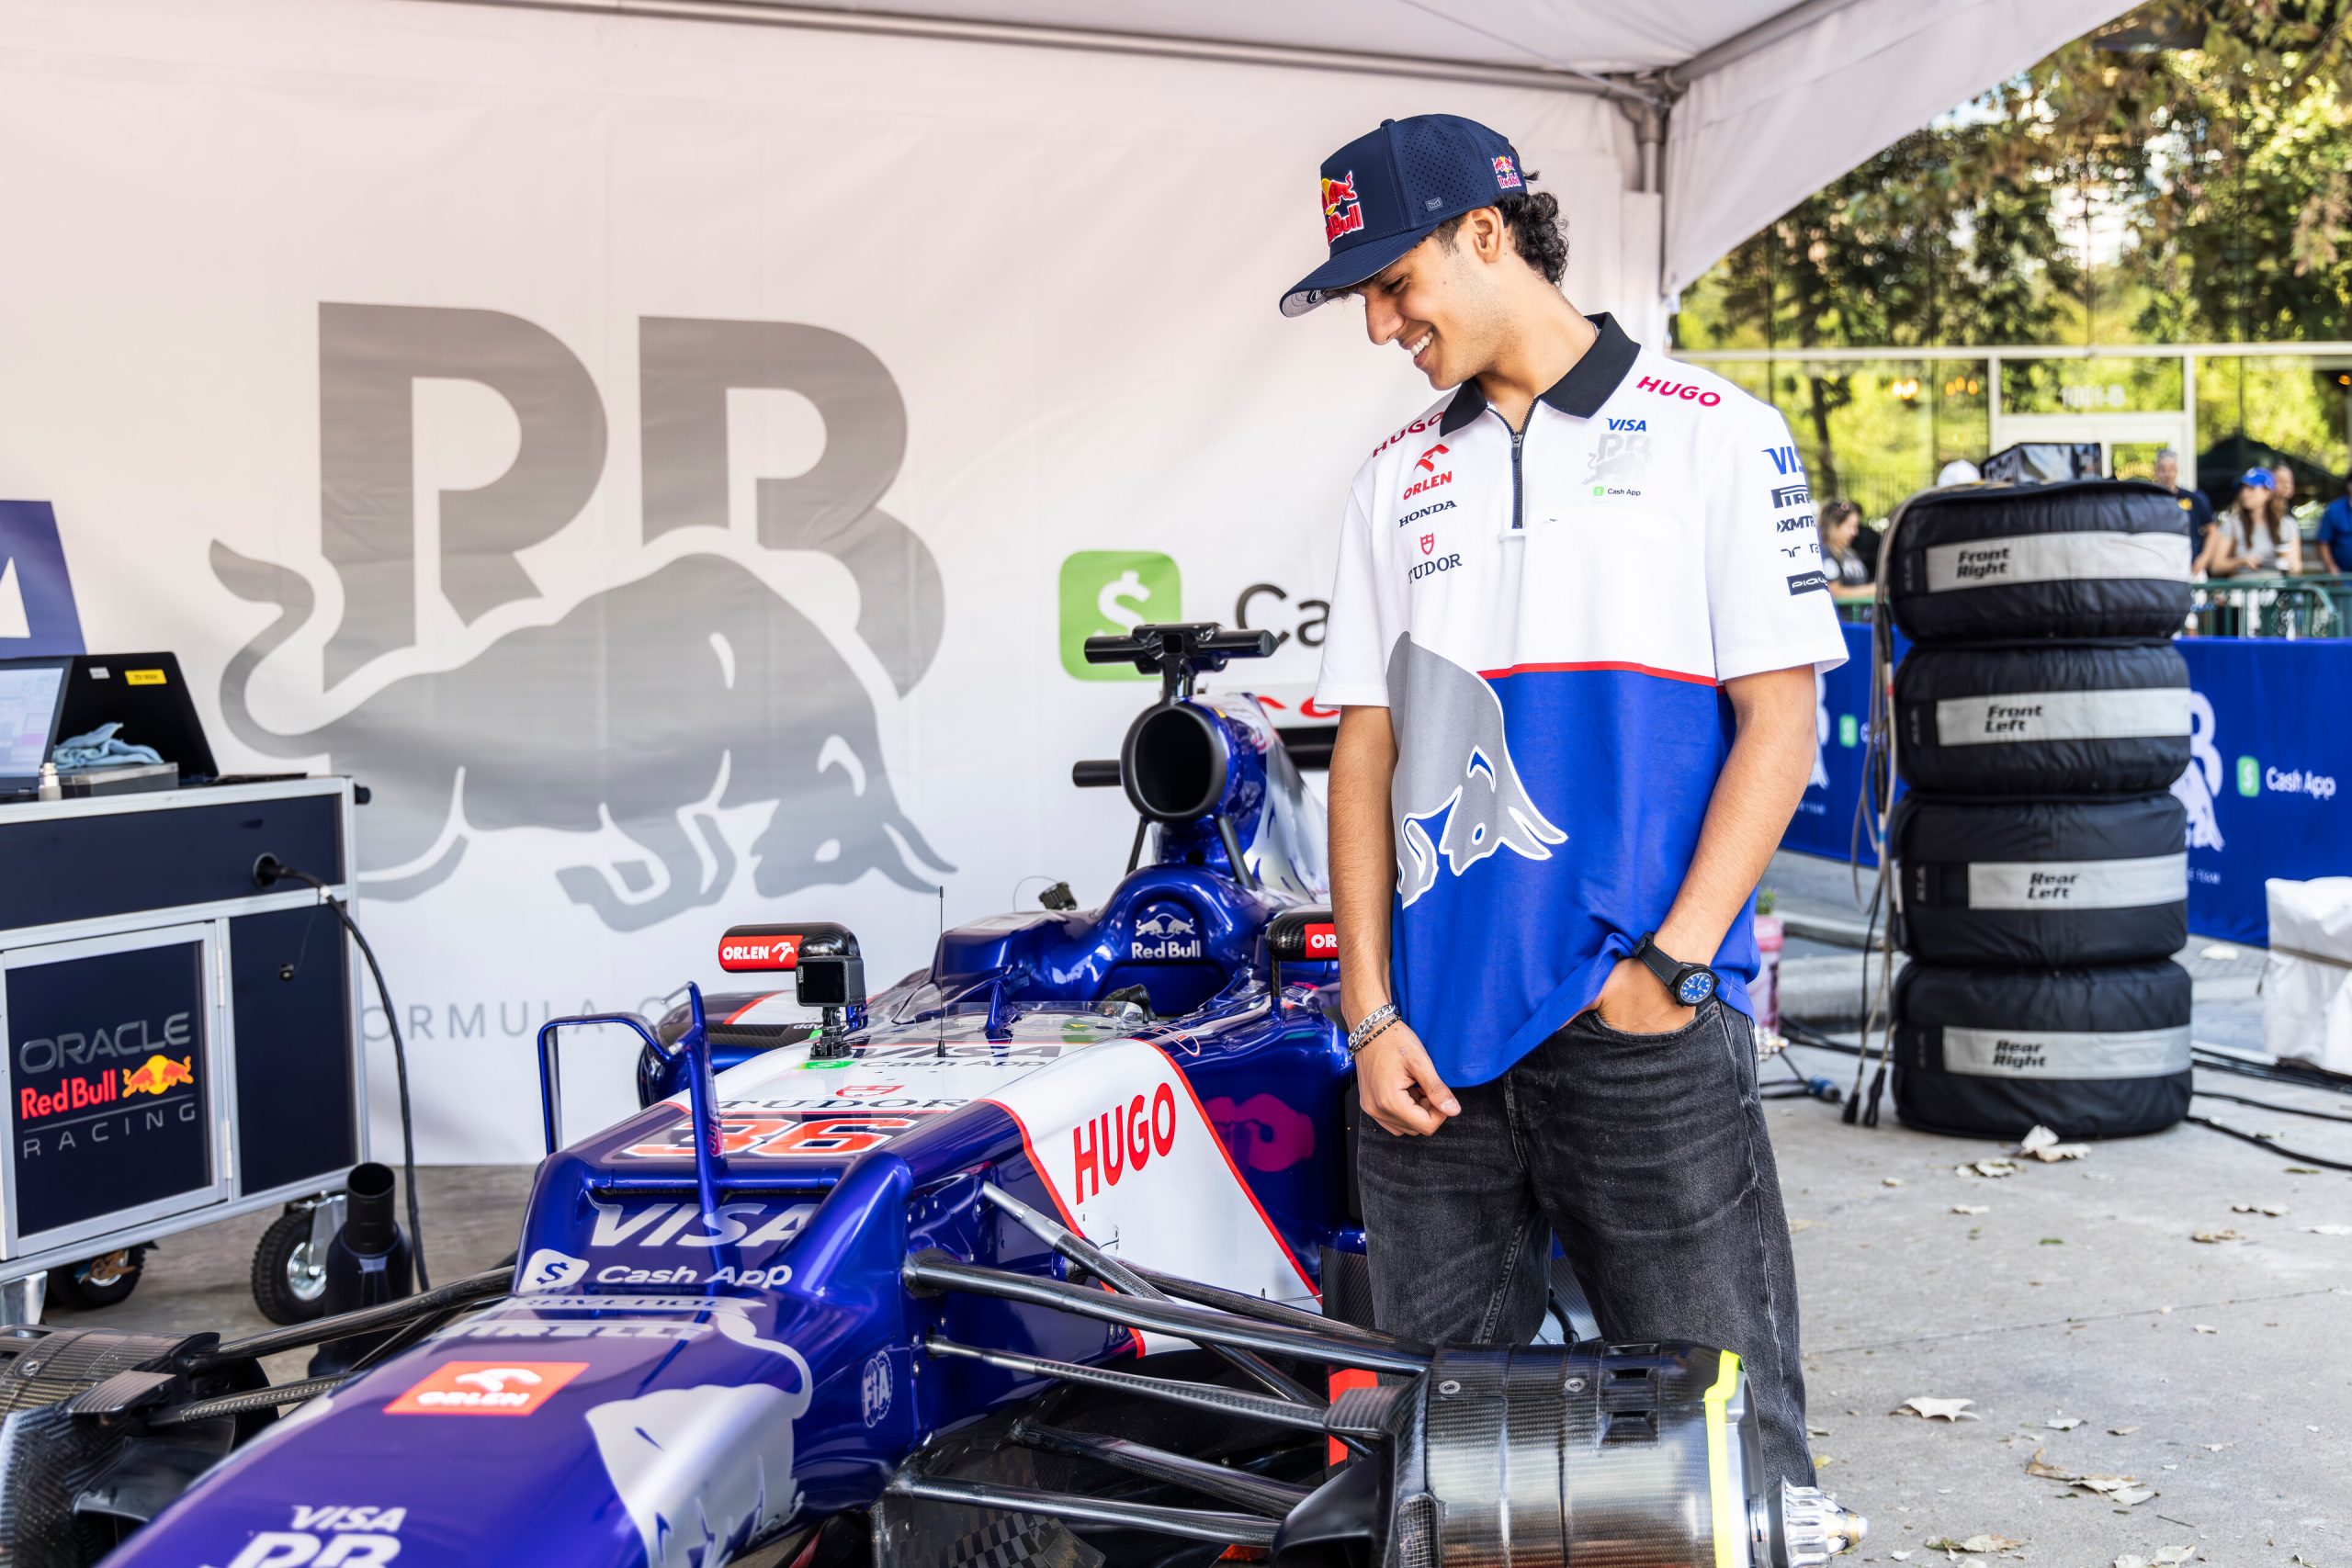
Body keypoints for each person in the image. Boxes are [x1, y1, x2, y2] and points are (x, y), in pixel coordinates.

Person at [1281, 112, 1843, 1494]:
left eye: (1392, 283)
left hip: (1642, 1028)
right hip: (1429, 1058)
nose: (1380, 325)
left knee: (1725, 1448)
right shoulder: (1392, 477)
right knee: (1447, 1473)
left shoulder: (1719, 434)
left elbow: (1782, 723)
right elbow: (1364, 754)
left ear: (1487, 233)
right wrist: (1369, 1015)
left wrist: (1672, 968)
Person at [2197, 468, 2301, 578]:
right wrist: (2241, 562)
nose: (2245, 493)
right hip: (2243, 586)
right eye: (2243, 488)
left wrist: (2289, 564)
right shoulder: (2232, 524)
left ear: (2268, 492)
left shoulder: (2287, 525)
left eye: (2251, 488)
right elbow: (2216, 567)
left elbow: (2297, 567)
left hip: (2276, 586)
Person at [2152, 448, 2213, 560]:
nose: (2167, 474)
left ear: (2177, 471)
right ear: (2155, 472)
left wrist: (2204, 558)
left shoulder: (2192, 499)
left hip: (2190, 563)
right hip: (2160, 561)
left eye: (2171, 469)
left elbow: (2211, 529)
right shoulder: (2150, 500)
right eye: (2162, 469)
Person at [1819, 499, 1872, 597]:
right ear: (1835, 526)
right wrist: (1871, 590)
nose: (1855, 532)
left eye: (1856, 527)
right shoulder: (1825, 553)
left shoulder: (1850, 553)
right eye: (1850, 527)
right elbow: (1834, 591)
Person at [2318, 470, 2352, 574]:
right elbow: (2323, 542)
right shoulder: (2333, 510)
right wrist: (2331, 568)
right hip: (2342, 575)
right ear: (2349, 484)